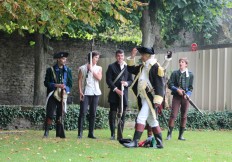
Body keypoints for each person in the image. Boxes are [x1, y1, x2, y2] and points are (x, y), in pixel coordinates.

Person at [122, 47, 165, 148]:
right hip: (143, 97)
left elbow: (160, 85)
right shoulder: (143, 66)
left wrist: (158, 100)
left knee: (141, 118)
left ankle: (135, 142)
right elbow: (131, 69)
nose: (141, 57)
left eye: (143, 55)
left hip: (150, 98)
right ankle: (159, 143)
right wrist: (132, 56)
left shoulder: (156, 67)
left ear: (147, 56)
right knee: (152, 121)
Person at [43, 52, 73, 138]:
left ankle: (58, 133)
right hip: (52, 94)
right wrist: (56, 85)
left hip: (62, 94)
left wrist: (65, 89)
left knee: (60, 114)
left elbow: (70, 84)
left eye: (65, 59)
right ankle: (46, 132)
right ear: (58, 59)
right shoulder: (50, 70)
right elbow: (46, 83)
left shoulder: (68, 71)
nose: (65, 60)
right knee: (50, 113)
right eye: (63, 59)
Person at [106, 49, 133, 140]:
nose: (120, 57)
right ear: (115, 56)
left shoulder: (127, 67)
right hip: (114, 94)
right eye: (118, 56)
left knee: (122, 114)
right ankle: (113, 134)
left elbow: (131, 80)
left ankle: (120, 133)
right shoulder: (111, 66)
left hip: (124, 94)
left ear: (124, 56)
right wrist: (116, 89)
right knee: (112, 114)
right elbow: (108, 80)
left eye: (121, 56)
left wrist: (126, 83)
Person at [166, 57, 194, 141]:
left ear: (186, 64)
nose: (180, 63)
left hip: (185, 98)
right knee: (173, 115)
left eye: (182, 62)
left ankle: (181, 135)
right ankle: (169, 134)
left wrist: (188, 94)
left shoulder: (190, 74)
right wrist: (177, 90)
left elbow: (190, 88)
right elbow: (170, 84)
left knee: (184, 116)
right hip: (176, 97)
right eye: (180, 62)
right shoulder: (175, 73)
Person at [77, 51, 102, 139]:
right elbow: (79, 80)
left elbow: (99, 78)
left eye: (98, 58)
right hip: (86, 92)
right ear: (91, 58)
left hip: (95, 92)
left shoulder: (99, 68)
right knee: (82, 112)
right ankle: (80, 132)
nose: (97, 59)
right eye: (96, 57)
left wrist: (91, 70)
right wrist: (80, 91)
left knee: (93, 113)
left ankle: (91, 133)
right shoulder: (82, 68)